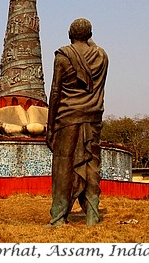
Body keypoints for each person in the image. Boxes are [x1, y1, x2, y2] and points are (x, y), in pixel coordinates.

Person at [45, 18, 109, 226]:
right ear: (90, 35)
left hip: (67, 117)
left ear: (69, 33)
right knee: (91, 165)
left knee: (63, 166)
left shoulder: (63, 56)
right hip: (92, 116)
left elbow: (55, 91)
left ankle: (58, 218)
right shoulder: (102, 56)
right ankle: (92, 216)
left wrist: (50, 125)